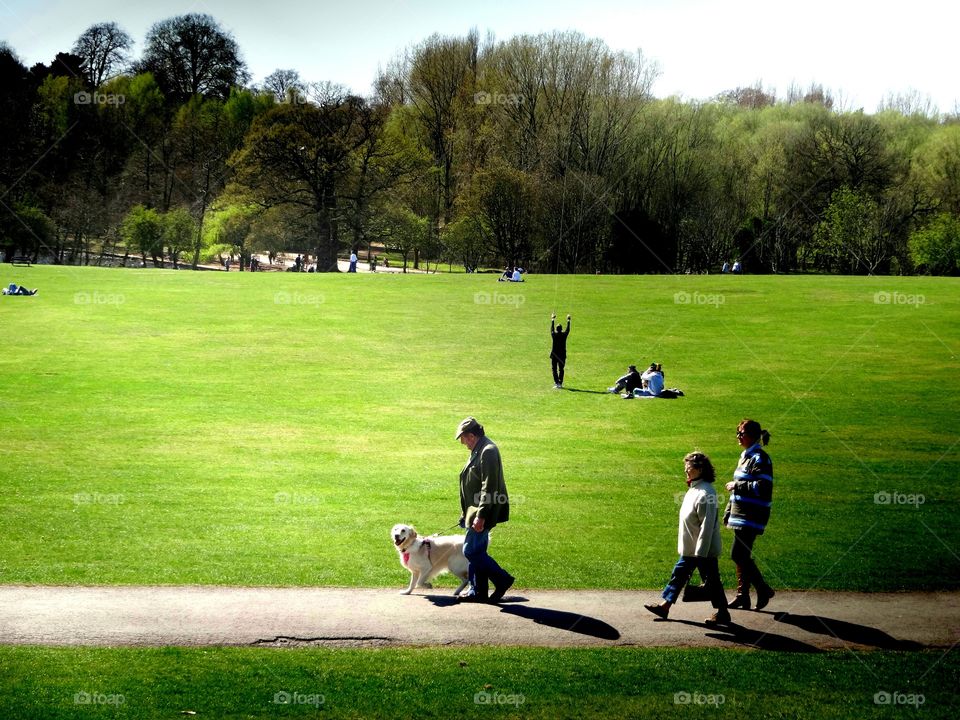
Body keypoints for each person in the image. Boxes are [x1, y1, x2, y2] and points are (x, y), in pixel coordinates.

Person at [645, 452, 731, 625]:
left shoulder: (706, 492)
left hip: (700, 550)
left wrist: (701, 552)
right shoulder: (695, 489)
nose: (686, 468)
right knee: (680, 575)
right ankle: (665, 606)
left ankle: (722, 612)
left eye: (689, 466)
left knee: (711, 580)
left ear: (699, 469)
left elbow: (708, 526)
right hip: (692, 548)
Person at [455, 417, 514, 603]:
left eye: (462, 438)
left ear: (471, 436)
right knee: (476, 550)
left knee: (471, 551)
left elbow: (489, 487)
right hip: (475, 511)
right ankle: (478, 591)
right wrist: (466, 514)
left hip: (484, 511)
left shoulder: (488, 451)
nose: (462, 443)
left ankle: (502, 579)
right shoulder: (478, 449)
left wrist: (480, 516)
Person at [723, 419, 774, 611]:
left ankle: (762, 589)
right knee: (741, 555)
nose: (738, 436)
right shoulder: (745, 456)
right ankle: (742, 595)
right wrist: (729, 511)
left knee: (738, 554)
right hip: (740, 514)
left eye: (741, 433)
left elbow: (763, 487)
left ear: (752, 435)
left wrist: (737, 485)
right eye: (737, 432)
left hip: (751, 515)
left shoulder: (760, 458)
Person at [549, 313, 571, 389]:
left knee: (554, 369)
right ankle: (560, 383)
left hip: (554, 355)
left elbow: (551, 329)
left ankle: (556, 383)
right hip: (562, 355)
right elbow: (568, 330)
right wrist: (568, 320)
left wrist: (552, 319)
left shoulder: (554, 335)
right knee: (561, 369)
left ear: (556, 329)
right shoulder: (564, 335)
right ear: (561, 329)